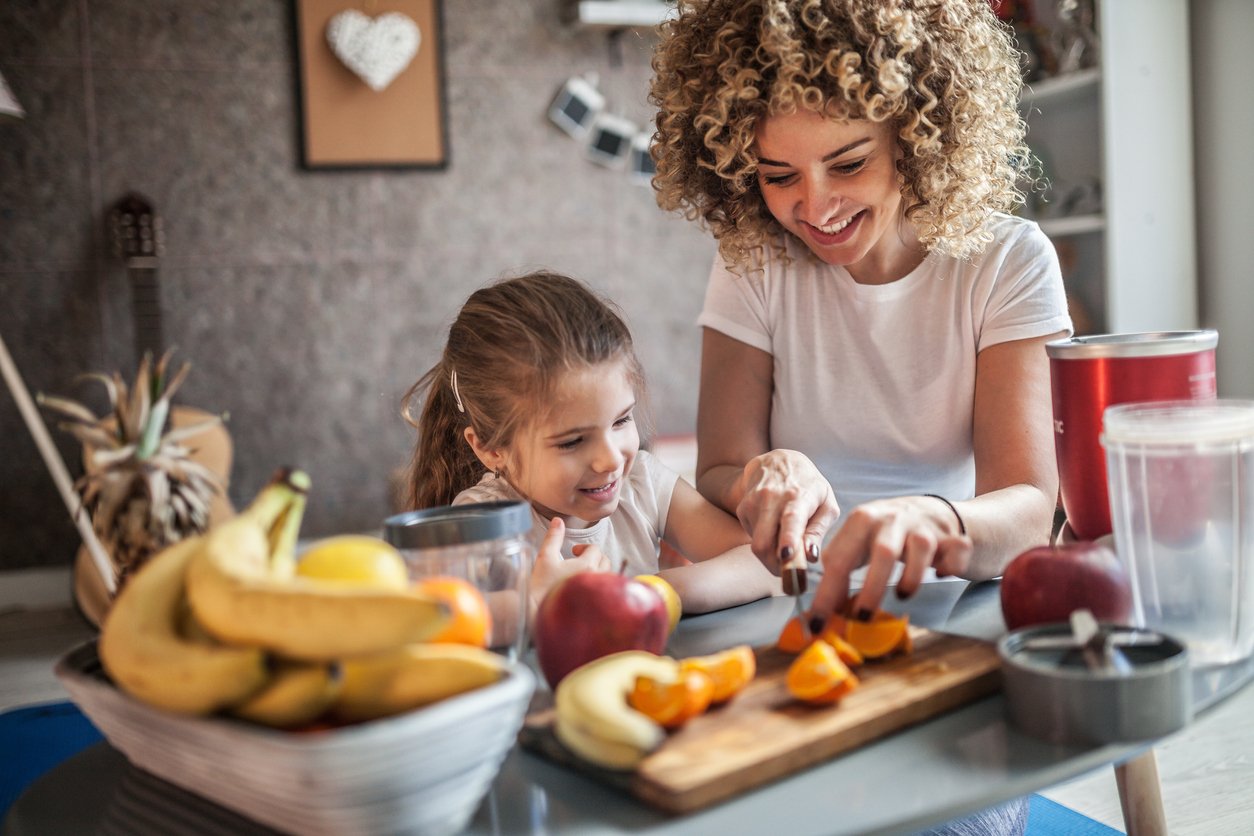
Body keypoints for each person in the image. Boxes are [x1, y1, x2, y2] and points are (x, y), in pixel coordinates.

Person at [650, 2, 1071, 831]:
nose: (816, 207)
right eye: (778, 177)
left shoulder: (1008, 263)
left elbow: (1027, 508)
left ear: (917, 135)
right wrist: (766, 476)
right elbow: (721, 467)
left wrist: (929, 520)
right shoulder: (754, 265)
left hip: (952, 628)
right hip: (786, 621)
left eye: (848, 163)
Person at [403, 271, 778, 624]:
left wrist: (643, 594)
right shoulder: (484, 518)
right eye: (572, 441)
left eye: (621, 421)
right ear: (489, 449)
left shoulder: (643, 485)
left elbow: (765, 564)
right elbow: (437, 620)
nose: (611, 458)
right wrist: (540, 601)